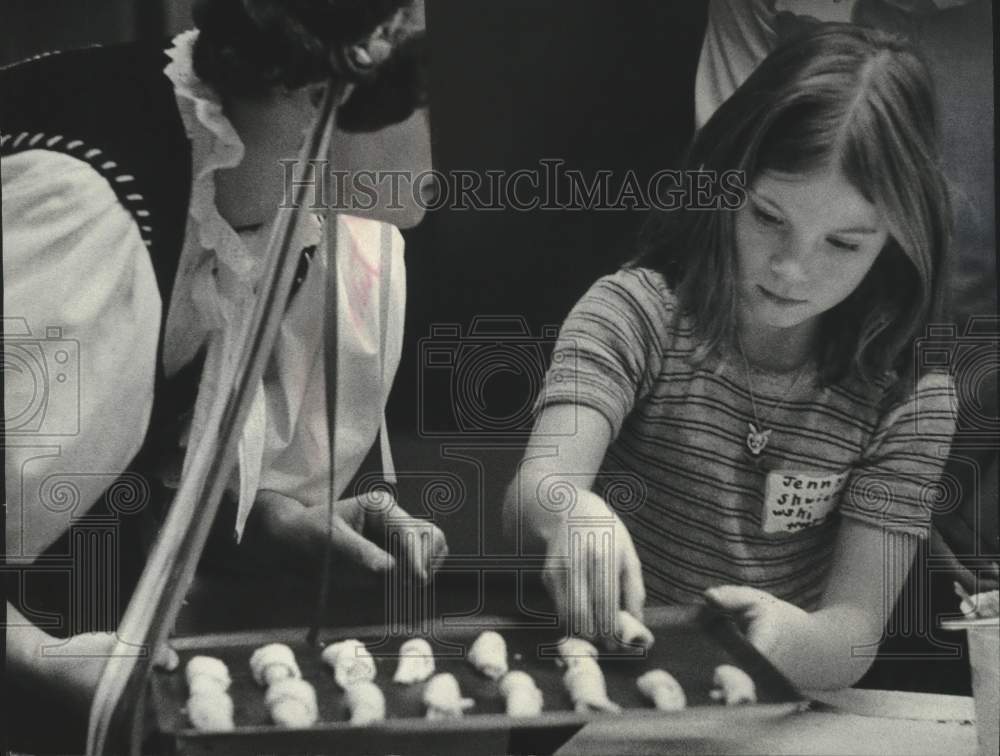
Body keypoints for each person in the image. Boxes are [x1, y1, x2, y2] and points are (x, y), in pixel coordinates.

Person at [3, 0, 444, 747]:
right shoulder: (80, 209)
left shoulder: (260, 200)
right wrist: (30, 655)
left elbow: (138, 450)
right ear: (313, 97)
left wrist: (266, 518)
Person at [504, 24, 957, 690]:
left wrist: (781, 640)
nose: (792, 268)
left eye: (843, 244)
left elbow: (853, 630)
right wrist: (568, 512)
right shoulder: (635, 314)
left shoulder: (910, 394)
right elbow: (534, 494)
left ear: (898, 239)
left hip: (767, 705)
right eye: (769, 217)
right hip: (598, 692)